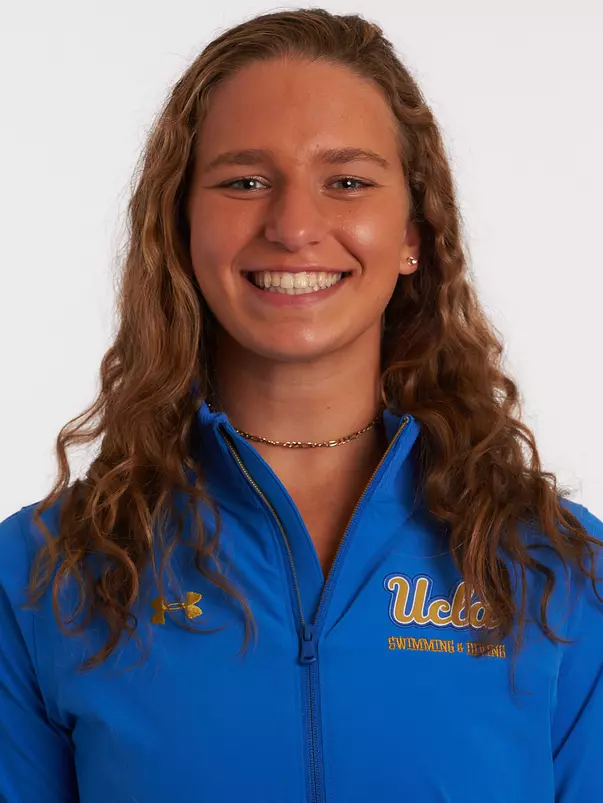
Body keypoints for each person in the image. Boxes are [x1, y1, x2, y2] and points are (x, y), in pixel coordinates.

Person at [0, 7, 601, 803]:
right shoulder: (46, 573)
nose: (292, 226)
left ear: (414, 234)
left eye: (346, 181)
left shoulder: (552, 569)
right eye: (244, 181)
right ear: (180, 228)